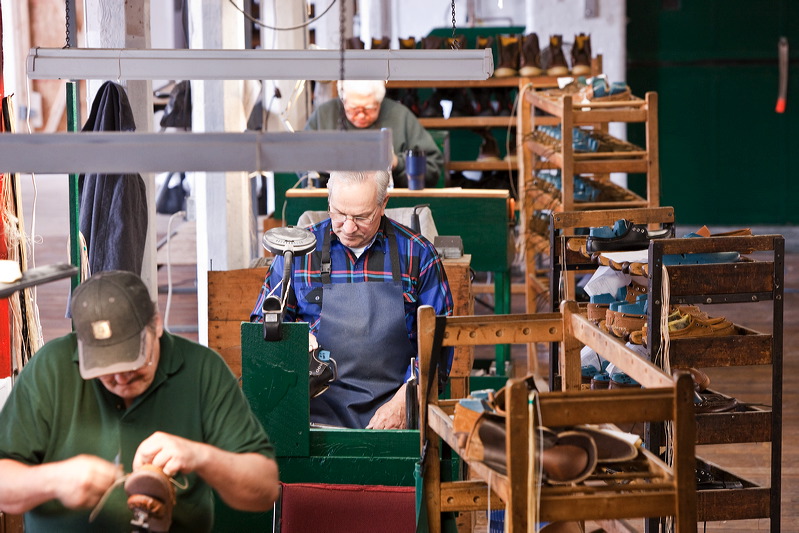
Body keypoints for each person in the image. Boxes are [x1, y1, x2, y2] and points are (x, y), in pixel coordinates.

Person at [0, 270, 279, 532]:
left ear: (156, 324)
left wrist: (201, 456)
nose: (121, 378)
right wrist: (53, 481)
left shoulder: (203, 370)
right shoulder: (52, 366)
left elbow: (264, 490)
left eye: (132, 360)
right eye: (105, 367)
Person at [251, 170, 454, 430]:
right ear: (328, 201)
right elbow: (261, 327)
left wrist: (407, 399)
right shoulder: (298, 253)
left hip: (395, 420)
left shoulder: (419, 255)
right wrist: (292, 340)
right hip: (310, 421)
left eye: (361, 217)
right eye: (339, 213)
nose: (348, 227)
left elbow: (439, 343)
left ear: (383, 205)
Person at [305, 79, 444, 188]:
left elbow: (433, 167)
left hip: (391, 204)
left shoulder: (400, 116)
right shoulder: (323, 115)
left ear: (379, 102)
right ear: (343, 101)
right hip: (328, 203)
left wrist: (397, 162)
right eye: (353, 109)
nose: (361, 115)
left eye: (369, 109)